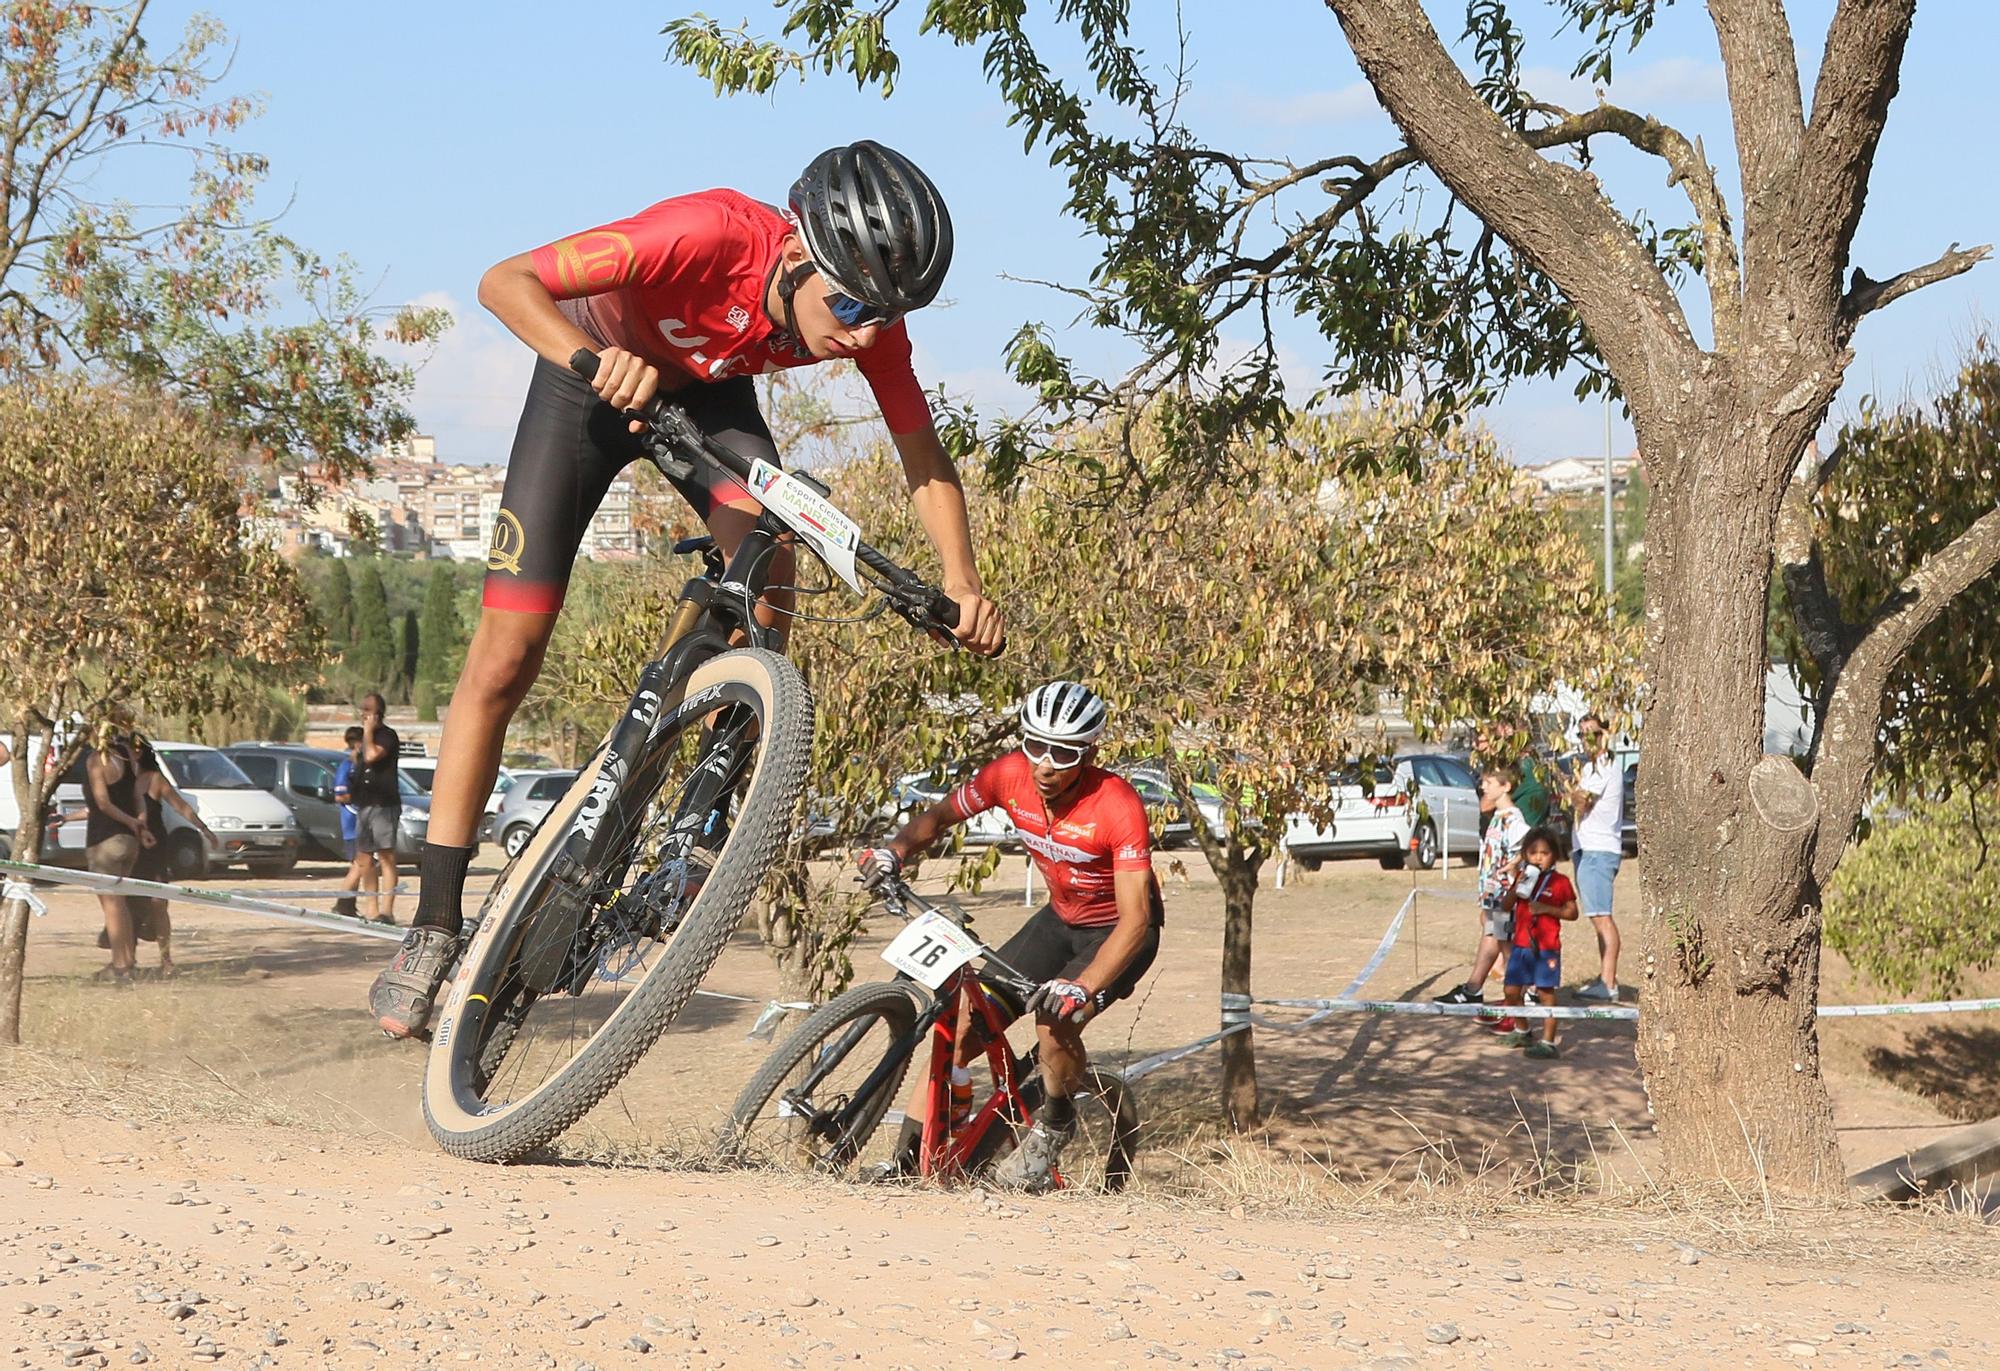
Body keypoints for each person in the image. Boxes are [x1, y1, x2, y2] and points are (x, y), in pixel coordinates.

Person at [369, 141, 1006, 1039]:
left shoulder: (869, 318)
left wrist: (961, 580)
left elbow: (921, 453)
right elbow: (504, 280)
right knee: (506, 657)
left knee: (776, 549)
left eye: (885, 314)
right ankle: (432, 924)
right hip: (586, 384)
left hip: (707, 398)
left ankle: (706, 782)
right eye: (853, 306)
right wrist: (591, 358)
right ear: (794, 257)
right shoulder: (703, 234)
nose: (863, 336)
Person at [857, 681, 1163, 1192]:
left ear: (1089, 752)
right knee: (959, 1026)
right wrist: (895, 851)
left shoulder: (1117, 804)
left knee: (1053, 1023)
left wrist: (1081, 988)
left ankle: (1055, 1124)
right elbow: (939, 817)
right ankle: (910, 1165)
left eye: (1063, 752)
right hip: (1058, 921)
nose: (1045, 763)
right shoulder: (1009, 775)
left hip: (1116, 935)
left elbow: (1136, 921)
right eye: (1034, 744)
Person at [1434, 769, 1530, 1018]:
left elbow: (1530, 844)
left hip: (1504, 894)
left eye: (1489, 783)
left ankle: (1520, 996)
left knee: (1508, 946)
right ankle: (1473, 989)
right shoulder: (1497, 816)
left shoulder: (1513, 818)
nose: (1484, 787)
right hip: (1492, 893)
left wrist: (1515, 864)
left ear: (1506, 786)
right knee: (1492, 936)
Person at [124, 739, 216, 977]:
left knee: (158, 903)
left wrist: (203, 829)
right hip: (130, 847)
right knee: (129, 902)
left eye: (132, 750)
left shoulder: (154, 780)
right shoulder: (121, 780)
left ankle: (166, 960)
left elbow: (180, 806)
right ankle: (128, 959)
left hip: (154, 848)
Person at [1495, 827, 1578, 1059]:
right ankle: (1522, 1029)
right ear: (1525, 854)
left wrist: (1547, 909)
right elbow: (1505, 906)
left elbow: (1572, 912)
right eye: (1532, 852)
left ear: (1554, 855)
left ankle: (1549, 1042)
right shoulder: (1524, 877)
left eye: (1545, 852)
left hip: (1546, 948)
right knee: (1511, 990)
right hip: (1521, 946)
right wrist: (1518, 885)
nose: (1538, 857)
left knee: (1545, 993)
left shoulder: (1560, 882)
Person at [82, 715, 149, 984]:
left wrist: (132, 822)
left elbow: (103, 802)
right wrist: (140, 825)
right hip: (129, 841)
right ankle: (127, 961)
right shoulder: (128, 758)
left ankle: (121, 967)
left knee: (111, 905)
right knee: (121, 903)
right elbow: (138, 797)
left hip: (104, 839)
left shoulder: (95, 760)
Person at [1564, 712, 1624, 1001]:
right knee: (1597, 918)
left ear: (1605, 735)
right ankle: (1605, 978)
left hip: (1598, 852)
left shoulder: (1605, 766)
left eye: (1593, 733)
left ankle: (1609, 982)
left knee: (1602, 918)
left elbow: (1581, 801)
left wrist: (1569, 791)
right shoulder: (1590, 768)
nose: (1587, 739)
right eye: (1582, 734)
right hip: (1587, 850)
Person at [350, 695, 402, 926]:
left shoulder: (386, 736)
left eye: (368, 710)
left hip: (384, 805)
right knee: (363, 858)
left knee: (386, 856)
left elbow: (372, 756)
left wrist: (369, 731)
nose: (363, 714)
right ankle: (371, 909)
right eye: (362, 710)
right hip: (365, 804)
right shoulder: (364, 738)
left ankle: (387, 911)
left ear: (379, 713)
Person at [331, 726, 367, 919]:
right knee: (360, 864)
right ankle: (343, 903)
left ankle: (347, 904)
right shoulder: (347, 765)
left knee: (361, 864)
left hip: (363, 822)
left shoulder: (363, 764)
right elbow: (340, 795)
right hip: (353, 823)